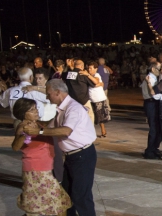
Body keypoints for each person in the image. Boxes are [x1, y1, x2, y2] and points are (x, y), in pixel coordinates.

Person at [24, 79, 98, 216]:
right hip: (72, 157)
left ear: (58, 92)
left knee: (81, 196)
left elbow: (65, 131)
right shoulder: (62, 109)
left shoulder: (73, 108)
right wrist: (33, 123)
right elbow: (49, 126)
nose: (47, 97)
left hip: (82, 156)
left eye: (48, 94)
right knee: (66, 195)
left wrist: (38, 132)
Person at [12, 98, 71, 215]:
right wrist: (24, 135)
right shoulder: (23, 126)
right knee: (43, 206)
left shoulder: (38, 124)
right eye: (32, 110)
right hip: (36, 171)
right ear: (23, 113)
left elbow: (49, 127)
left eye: (36, 108)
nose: (36, 111)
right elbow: (15, 147)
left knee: (56, 204)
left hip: (47, 169)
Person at [80, 61, 110, 138]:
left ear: (95, 69)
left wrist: (88, 75)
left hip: (98, 99)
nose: (89, 70)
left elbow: (96, 81)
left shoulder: (96, 75)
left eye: (91, 68)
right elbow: (99, 83)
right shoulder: (88, 76)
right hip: (91, 99)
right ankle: (95, 131)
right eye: (88, 68)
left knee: (99, 117)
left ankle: (103, 130)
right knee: (93, 116)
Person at [141, 63, 162, 159]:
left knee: (156, 128)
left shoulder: (153, 78)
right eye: (159, 69)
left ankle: (153, 148)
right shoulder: (150, 78)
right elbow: (153, 94)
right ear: (153, 69)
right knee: (154, 128)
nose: (161, 71)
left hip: (152, 103)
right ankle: (150, 151)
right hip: (151, 103)